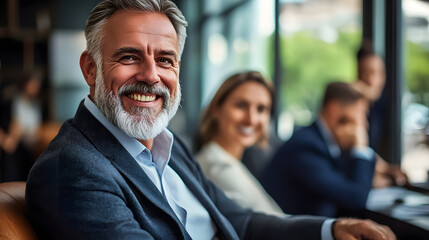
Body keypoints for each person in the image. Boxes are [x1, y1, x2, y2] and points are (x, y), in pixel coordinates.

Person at [26, 1, 396, 239]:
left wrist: (331, 231)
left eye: (165, 60)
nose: (151, 75)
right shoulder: (71, 168)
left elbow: (240, 220)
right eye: (129, 56)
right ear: (90, 68)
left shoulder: (168, 145)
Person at [262, 82, 376, 218]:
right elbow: (356, 198)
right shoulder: (306, 147)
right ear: (334, 109)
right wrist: (361, 148)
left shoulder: (323, 144)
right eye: (360, 113)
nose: (365, 124)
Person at [195, 71, 284, 216]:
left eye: (261, 109)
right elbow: (272, 226)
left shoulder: (229, 161)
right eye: (241, 105)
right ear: (216, 109)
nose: (252, 119)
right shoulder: (218, 167)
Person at [354, 40, 408, 188]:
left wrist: (387, 169)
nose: (372, 80)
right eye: (366, 72)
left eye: (378, 73)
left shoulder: (380, 106)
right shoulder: (351, 107)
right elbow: (353, 152)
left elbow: (365, 151)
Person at [0, 72, 43, 182]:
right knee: (11, 182)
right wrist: (6, 141)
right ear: (26, 84)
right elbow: (14, 127)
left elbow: (35, 128)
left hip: (30, 150)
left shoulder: (35, 105)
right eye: (33, 84)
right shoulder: (12, 102)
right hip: (15, 150)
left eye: (37, 85)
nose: (36, 87)